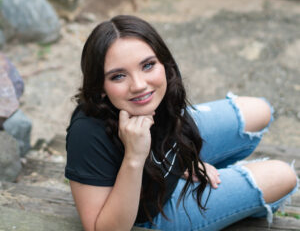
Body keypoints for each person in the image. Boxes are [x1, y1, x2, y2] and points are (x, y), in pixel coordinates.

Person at [65, 15, 298, 231]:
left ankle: (220, 185)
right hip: (153, 212)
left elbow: (171, 131)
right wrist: (134, 158)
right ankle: (234, 198)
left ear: (163, 63)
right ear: (100, 86)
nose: (139, 85)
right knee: (282, 176)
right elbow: (102, 229)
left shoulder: (157, 93)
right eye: (118, 76)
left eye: (147, 65)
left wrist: (183, 160)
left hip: (165, 169)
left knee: (259, 111)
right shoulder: (86, 133)